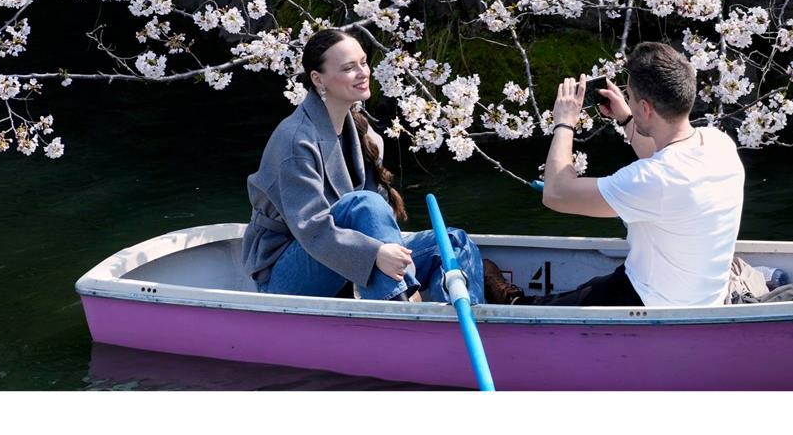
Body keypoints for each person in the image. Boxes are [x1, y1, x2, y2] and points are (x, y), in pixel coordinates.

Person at [484, 41, 745, 307]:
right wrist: (626, 119)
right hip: (699, 295)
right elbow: (664, 161)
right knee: (592, 288)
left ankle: (513, 303)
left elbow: (555, 193)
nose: (627, 102)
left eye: (629, 98)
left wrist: (564, 122)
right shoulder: (719, 144)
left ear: (646, 108)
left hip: (654, 303)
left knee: (540, 309)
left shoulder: (651, 180)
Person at [242, 28, 485, 304]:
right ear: (318, 79)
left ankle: (457, 322)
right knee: (365, 204)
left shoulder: (361, 131)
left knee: (452, 243)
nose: (362, 72)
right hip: (287, 275)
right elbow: (312, 229)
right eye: (348, 68)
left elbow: (376, 223)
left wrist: (381, 252)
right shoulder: (295, 140)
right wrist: (374, 254)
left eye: (363, 62)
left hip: (345, 258)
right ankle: (404, 312)